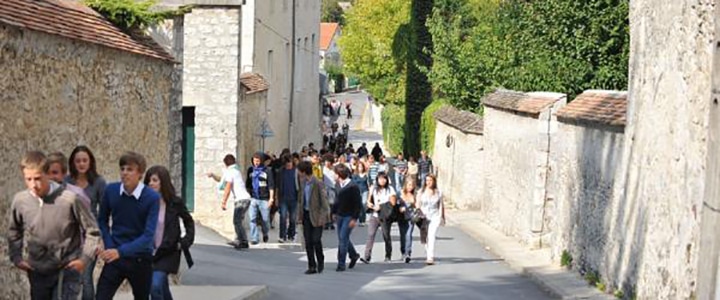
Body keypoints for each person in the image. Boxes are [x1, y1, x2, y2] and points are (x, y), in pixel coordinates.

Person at [8, 151, 100, 300]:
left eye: (37, 179)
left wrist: (84, 259)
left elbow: (92, 231)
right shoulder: (20, 201)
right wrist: (17, 257)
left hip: (66, 269)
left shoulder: (69, 199)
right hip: (38, 270)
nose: (33, 185)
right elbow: (14, 230)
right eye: (28, 179)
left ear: (47, 174)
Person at [96, 152, 159, 300]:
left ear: (140, 174)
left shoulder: (151, 198)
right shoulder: (111, 190)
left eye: (130, 169)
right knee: (101, 296)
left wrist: (120, 251)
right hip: (115, 256)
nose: (124, 173)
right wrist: (110, 246)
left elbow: (148, 236)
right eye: (122, 168)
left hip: (140, 258)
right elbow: (102, 220)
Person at [146, 166, 195, 300]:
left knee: (155, 286)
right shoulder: (145, 202)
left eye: (155, 180)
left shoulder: (174, 202)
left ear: (163, 182)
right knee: (161, 287)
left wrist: (185, 242)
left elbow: (189, 222)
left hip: (169, 251)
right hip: (149, 252)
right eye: (149, 180)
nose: (151, 183)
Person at [66, 146, 107, 300]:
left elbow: (104, 211)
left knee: (86, 277)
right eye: (78, 161)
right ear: (72, 163)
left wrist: (102, 238)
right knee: (71, 277)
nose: (81, 164)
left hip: (91, 235)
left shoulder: (98, 182)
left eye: (84, 160)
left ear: (90, 162)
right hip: (71, 235)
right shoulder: (66, 181)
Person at [207, 154, 252, 249]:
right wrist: (213, 176)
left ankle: (243, 241)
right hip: (245, 199)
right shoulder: (235, 171)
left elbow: (227, 187)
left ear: (226, 164)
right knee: (239, 221)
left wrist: (224, 201)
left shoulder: (231, 172)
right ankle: (239, 239)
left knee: (237, 221)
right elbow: (222, 181)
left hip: (241, 200)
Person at [296, 161, 330, 274]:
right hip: (306, 215)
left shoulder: (318, 183)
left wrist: (323, 217)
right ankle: (312, 266)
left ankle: (320, 259)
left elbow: (324, 202)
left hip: (317, 216)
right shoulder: (302, 182)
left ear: (304, 171)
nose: (298, 173)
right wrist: (299, 215)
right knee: (308, 241)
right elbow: (301, 200)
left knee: (316, 240)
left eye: (299, 171)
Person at [360, 172, 397, 264]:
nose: (382, 180)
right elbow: (369, 201)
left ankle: (388, 255)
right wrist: (370, 200)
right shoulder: (374, 189)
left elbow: (393, 202)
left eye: (384, 178)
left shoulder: (390, 189)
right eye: (380, 179)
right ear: (377, 179)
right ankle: (367, 256)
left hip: (385, 216)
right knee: (370, 235)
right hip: (375, 215)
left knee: (386, 236)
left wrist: (380, 206)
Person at [332, 164, 362, 272]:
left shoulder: (353, 186)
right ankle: (353, 255)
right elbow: (336, 200)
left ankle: (341, 263)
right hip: (340, 214)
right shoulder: (337, 184)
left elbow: (358, 204)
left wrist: (354, 218)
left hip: (349, 216)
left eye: (335, 173)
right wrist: (334, 212)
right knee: (342, 238)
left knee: (343, 238)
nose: (334, 175)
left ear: (339, 174)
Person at [245, 152, 275, 244]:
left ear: (261, 161)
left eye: (258, 161)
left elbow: (271, 185)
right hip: (253, 198)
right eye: (254, 161)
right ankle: (254, 238)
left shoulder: (267, 171)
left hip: (264, 199)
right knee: (252, 219)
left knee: (265, 220)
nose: (256, 163)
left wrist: (271, 198)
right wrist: (248, 195)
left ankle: (265, 233)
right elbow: (248, 184)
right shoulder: (251, 170)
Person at [417, 174, 445, 265]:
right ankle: (428, 252)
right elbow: (418, 204)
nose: (428, 182)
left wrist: (442, 217)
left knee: (431, 235)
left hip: (434, 216)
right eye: (427, 180)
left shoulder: (438, 192)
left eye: (430, 180)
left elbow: (441, 205)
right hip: (424, 217)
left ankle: (430, 257)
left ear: (434, 181)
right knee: (425, 237)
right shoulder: (421, 191)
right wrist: (418, 212)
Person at [276, 155, 300, 243]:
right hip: (283, 198)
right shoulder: (281, 172)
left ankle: (291, 234)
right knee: (283, 218)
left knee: (293, 219)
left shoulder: (296, 172)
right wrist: (276, 198)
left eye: (290, 163)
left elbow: (299, 185)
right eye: (287, 163)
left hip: (294, 198)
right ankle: (282, 236)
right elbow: (277, 186)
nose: (289, 165)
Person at [398, 180, 417, 263]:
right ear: (405, 185)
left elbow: (418, 205)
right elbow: (397, 204)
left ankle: (407, 253)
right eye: (409, 185)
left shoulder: (415, 195)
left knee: (408, 235)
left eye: (412, 185)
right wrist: (400, 208)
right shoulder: (400, 193)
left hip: (411, 217)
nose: (410, 187)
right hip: (402, 218)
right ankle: (403, 251)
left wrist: (414, 205)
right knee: (403, 235)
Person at [352, 162, 370, 227]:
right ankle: (361, 220)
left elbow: (369, 184)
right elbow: (353, 184)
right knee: (360, 205)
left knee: (364, 203)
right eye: (359, 167)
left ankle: (363, 219)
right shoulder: (355, 175)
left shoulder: (366, 175)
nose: (360, 168)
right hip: (357, 191)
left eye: (361, 167)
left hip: (365, 190)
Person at [322, 154, 337, 230]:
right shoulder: (322, 169)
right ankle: (326, 222)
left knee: (331, 206)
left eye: (328, 161)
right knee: (325, 206)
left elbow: (336, 179)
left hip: (332, 189)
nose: (327, 163)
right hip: (324, 188)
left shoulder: (334, 169)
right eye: (326, 161)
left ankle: (330, 221)